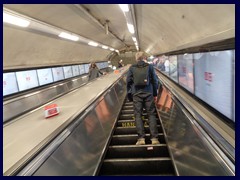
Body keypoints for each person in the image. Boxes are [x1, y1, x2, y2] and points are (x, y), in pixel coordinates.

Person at [127, 51, 160, 145]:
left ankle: (141, 139)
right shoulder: (150, 67)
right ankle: (154, 139)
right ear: (144, 58)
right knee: (151, 114)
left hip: (136, 94)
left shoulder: (132, 68)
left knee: (138, 115)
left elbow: (128, 82)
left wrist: (130, 95)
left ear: (136, 58)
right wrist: (154, 94)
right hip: (148, 93)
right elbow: (155, 80)